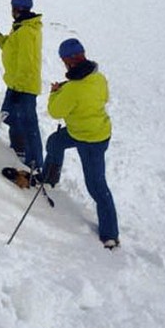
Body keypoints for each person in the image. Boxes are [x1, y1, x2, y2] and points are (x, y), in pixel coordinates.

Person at [42, 38, 120, 249]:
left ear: (68, 61)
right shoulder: (98, 78)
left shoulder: (73, 90)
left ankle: (110, 234)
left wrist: (56, 92)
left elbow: (55, 112)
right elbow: (103, 97)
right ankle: (49, 178)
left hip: (91, 140)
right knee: (55, 142)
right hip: (88, 131)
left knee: (96, 186)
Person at [0, 0, 43, 172]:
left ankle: (34, 162)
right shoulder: (21, 27)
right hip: (16, 85)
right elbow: (10, 48)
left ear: (16, 9)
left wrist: (18, 88)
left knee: (28, 123)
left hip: (23, 87)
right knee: (11, 118)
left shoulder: (26, 31)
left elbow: (26, 63)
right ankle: (19, 151)